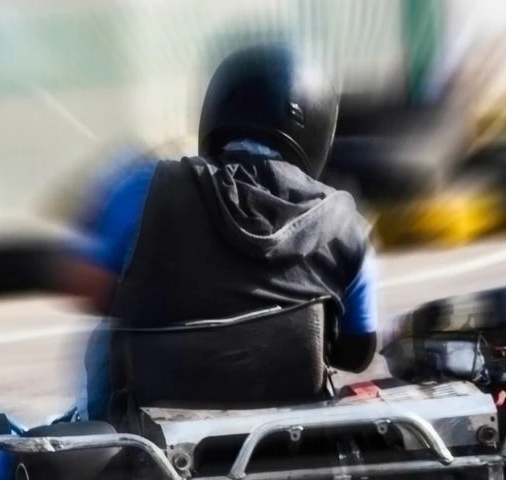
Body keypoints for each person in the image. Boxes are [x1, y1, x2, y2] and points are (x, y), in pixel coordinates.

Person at [59, 44, 379, 421]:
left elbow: (92, 288)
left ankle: (95, 426)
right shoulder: (345, 222)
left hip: (150, 425)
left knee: (107, 333)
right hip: (288, 429)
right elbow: (358, 352)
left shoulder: (144, 186)